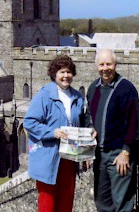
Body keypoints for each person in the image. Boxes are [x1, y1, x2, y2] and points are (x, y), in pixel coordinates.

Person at [23, 55, 85, 212]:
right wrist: (52, 132)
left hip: (69, 157)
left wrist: (87, 146)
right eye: (62, 72)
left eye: (69, 72)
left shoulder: (77, 96)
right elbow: (29, 122)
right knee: (47, 203)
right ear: (54, 74)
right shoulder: (44, 95)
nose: (66, 76)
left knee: (66, 202)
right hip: (48, 158)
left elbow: (82, 123)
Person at [86, 49, 139, 212]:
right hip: (99, 154)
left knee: (122, 203)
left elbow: (134, 122)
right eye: (102, 64)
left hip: (118, 154)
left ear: (115, 65)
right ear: (97, 66)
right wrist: (88, 145)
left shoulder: (126, 88)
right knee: (102, 201)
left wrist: (126, 151)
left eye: (109, 64)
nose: (105, 68)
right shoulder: (93, 88)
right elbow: (88, 115)